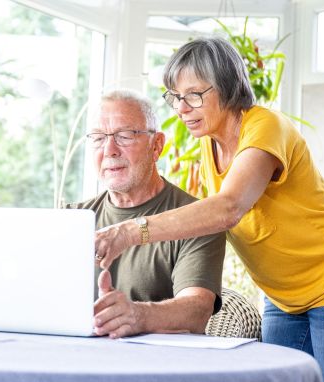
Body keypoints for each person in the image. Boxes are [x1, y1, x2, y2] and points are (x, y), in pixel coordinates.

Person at [94, 37, 324, 382]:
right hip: (283, 298)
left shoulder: (265, 127)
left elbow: (228, 208)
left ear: (227, 87)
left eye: (194, 95)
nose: (181, 108)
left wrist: (130, 231)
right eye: (175, 97)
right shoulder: (210, 145)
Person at [66, 89, 225, 339]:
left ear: (156, 145)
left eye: (125, 135)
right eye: (98, 138)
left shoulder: (197, 218)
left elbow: (197, 311)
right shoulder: (71, 220)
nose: (110, 150)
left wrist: (137, 315)